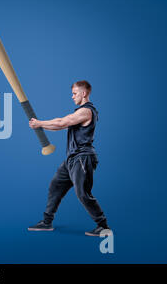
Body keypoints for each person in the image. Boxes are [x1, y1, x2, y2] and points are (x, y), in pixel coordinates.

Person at [27, 80, 110, 236]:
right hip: (72, 159)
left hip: (82, 158)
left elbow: (61, 122)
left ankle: (103, 227)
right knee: (55, 185)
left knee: (82, 193)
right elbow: (58, 125)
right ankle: (46, 222)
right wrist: (41, 125)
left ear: (84, 93)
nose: (72, 97)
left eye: (74, 93)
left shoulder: (86, 111)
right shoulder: (79, 112)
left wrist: (39, 123)